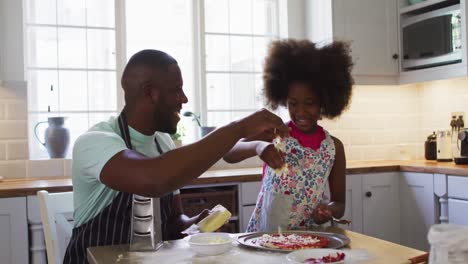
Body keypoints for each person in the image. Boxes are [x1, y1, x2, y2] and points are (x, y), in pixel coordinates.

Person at [63, 49, 288, 263]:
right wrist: (238, 128)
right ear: (150, 92)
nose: (185, 99)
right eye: (177, 90)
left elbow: (172, 224)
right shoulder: (95, 141)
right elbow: (153, 180)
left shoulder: (163, 143)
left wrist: (197, 225)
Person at [223, 39, 354, 232]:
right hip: (266, 235)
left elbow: (339, 204)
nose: (300, 111)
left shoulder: (334, 147)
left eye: (309, 103)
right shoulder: (275, 133)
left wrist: (327, 210)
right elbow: (229, 153)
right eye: (293, 103)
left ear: (323, 104)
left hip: (308, 237)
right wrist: (259, 147)